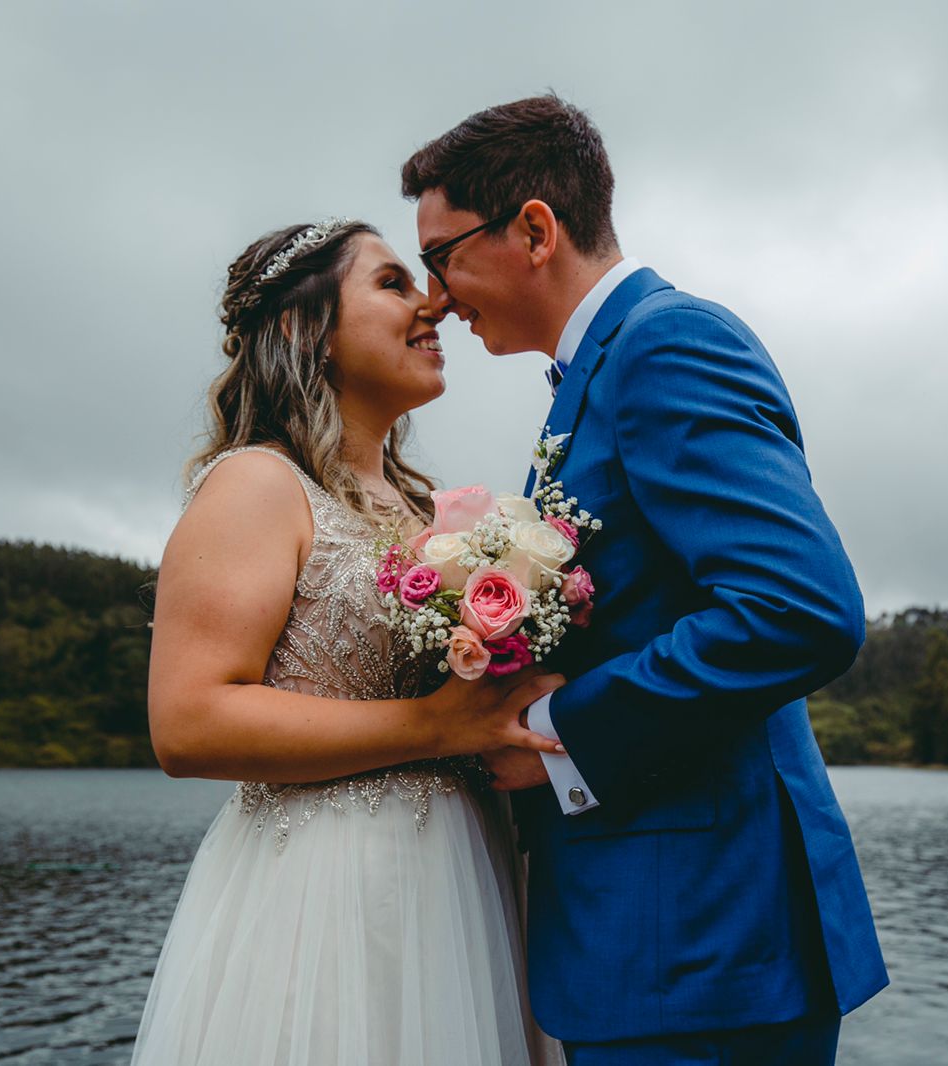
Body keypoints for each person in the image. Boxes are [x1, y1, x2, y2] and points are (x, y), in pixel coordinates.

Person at [401, 96, 889, 1065]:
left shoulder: (666, 346)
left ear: (534, 230)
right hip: (659, 943)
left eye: (442, 256)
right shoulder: (594, 377)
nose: (437, 297)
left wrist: (555, 733)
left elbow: (799, 608)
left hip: (705, 941)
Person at [130, 217, 565, 1065]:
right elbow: (188, 723)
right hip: (326, 898)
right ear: (308, 329)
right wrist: (435, 726)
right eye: (393, 283)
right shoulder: (258, 484)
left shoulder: (432, 511)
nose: (434, 303)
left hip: (465, 885)